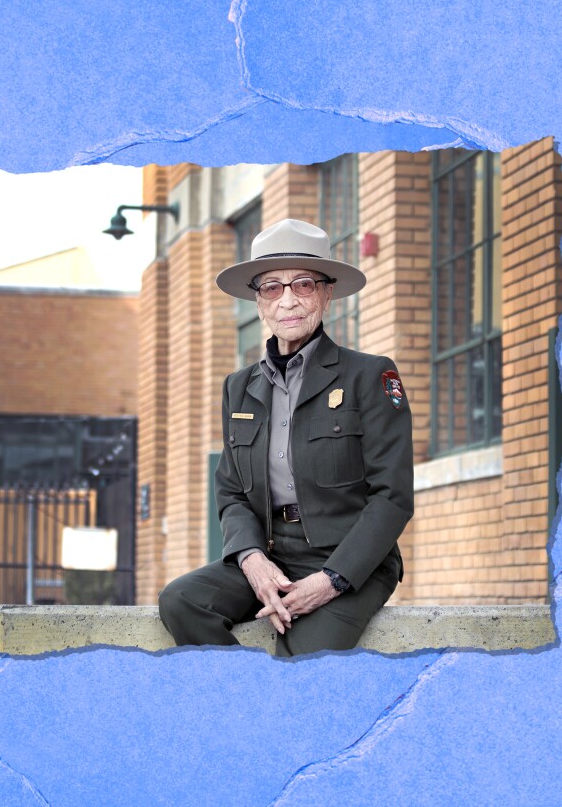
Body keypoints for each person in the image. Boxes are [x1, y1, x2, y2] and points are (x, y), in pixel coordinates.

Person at [158, 218, 414, 657]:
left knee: (303, 657)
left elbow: (392, 497)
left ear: (327, 293)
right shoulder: (238, 387)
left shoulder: (370, 375)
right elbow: (231, 491)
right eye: (272, 287)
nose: (288, 300)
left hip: (351, 560)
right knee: (182, 601)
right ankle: (249, 700)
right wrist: (252, 560)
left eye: (304, 284)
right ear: (258, 302)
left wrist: (330, 581)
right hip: (273, 554)